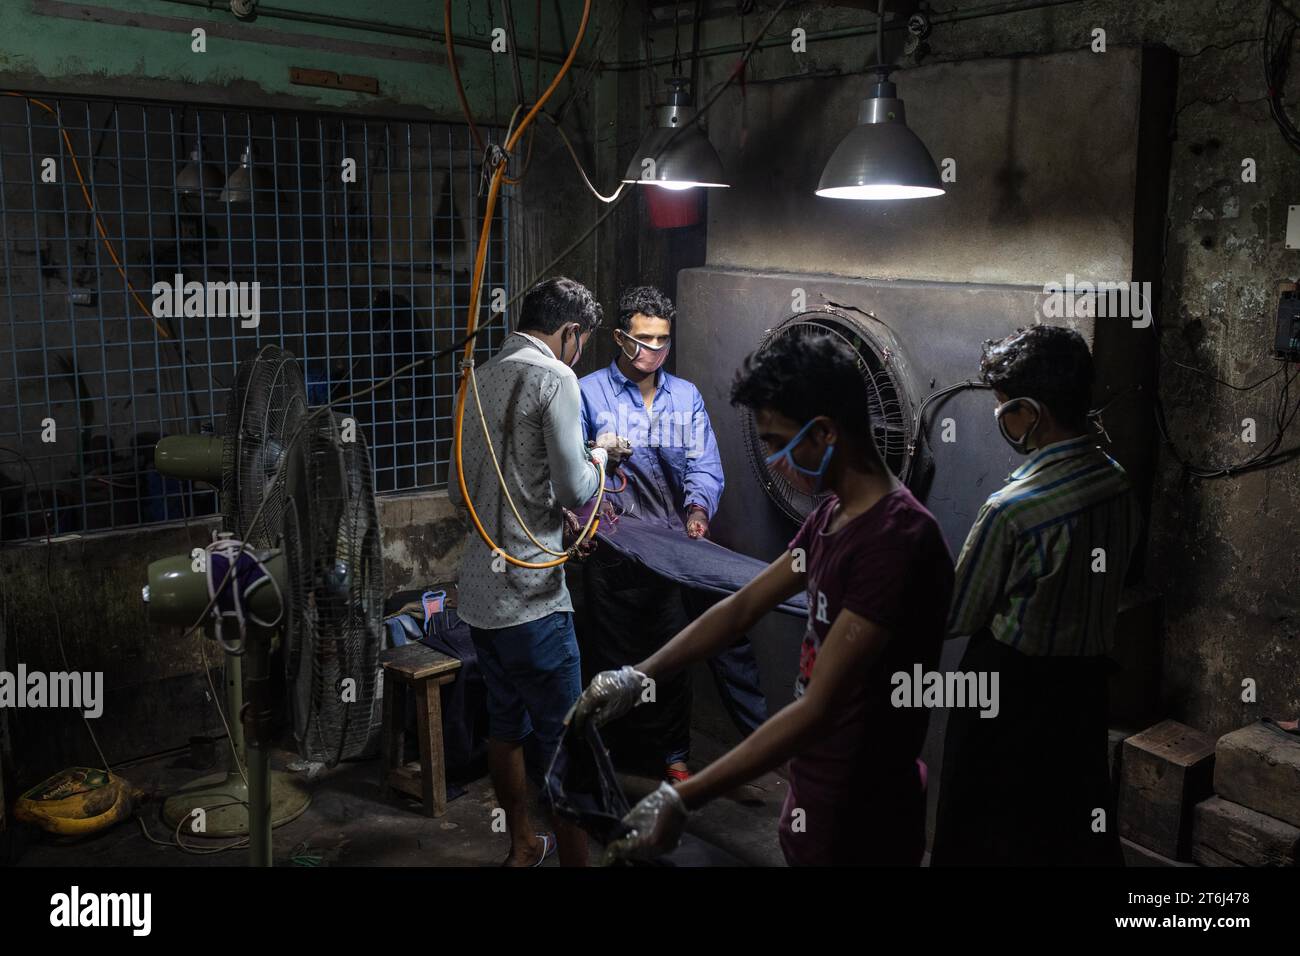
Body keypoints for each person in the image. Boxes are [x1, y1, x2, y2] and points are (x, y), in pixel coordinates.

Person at [570, 329, 955, 866]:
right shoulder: (831, 515)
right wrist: (640, 675)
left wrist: (683, 797)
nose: (770, 459)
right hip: (817, 790)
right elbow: (744, 605)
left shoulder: (895, 542)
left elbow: (820, 708)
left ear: (823, 432)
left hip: (866, 813)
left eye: (776, 442)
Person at [931, 325, 1142, 867]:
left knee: (984, 831)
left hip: (1010, 695)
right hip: (1083, 692)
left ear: (1031, 412)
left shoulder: (1012, 509)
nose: (1001, 420)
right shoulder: (1119, 483)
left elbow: (957, 614)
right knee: (1069, 830)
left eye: (1005, 409)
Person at [449, 276, 629, 867]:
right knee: (565, 742)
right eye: (581, 341)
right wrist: (600, 455)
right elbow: (577, 488)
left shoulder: (476, 380)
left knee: (505, 727)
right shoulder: (556, 377)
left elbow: (458, 493)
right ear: (569, 332)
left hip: (478, 597)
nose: (580, 354)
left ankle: (523, 844)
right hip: (533, 599)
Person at [573, 285, 769, 784]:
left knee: (672, 657)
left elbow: (704, 463)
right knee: (615, 658)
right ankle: (610, 756)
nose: (654, 351)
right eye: (643, 340)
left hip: (672, 547)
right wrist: (594, 470)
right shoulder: (588, 393)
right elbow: (567, 471)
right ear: (619, 337)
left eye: (663, 341)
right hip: (614, 548)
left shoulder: (685, 397)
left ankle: (673, 756)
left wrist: (698, 510)